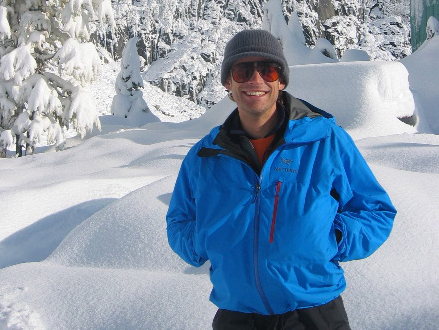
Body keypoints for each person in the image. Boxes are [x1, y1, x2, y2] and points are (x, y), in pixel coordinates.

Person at [166, 29, 396, 329]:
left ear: (281, 80)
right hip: (237, 314)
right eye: (242, 70)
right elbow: (179, 220)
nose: (255, 79)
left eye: (268, 69)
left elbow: (376, 211)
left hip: (314, 312)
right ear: (228, 83)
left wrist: (333, 239)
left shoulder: (325, 141)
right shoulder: (206, 155)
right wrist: (204, 243)